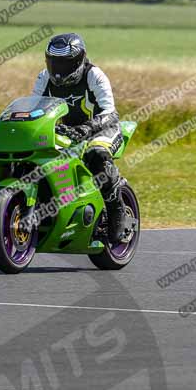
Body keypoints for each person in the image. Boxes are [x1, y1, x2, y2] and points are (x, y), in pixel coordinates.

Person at [31, 33, 129, 245]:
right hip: (67, 132)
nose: (58, 70)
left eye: (65, 64)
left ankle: (117, 210)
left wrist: (87, 128)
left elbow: (110, 113)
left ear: (79, 60)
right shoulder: (43, 78)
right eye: (54, 62)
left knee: (97, 154)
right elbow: (34, 109)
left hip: (102, 130)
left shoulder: (94, 75)